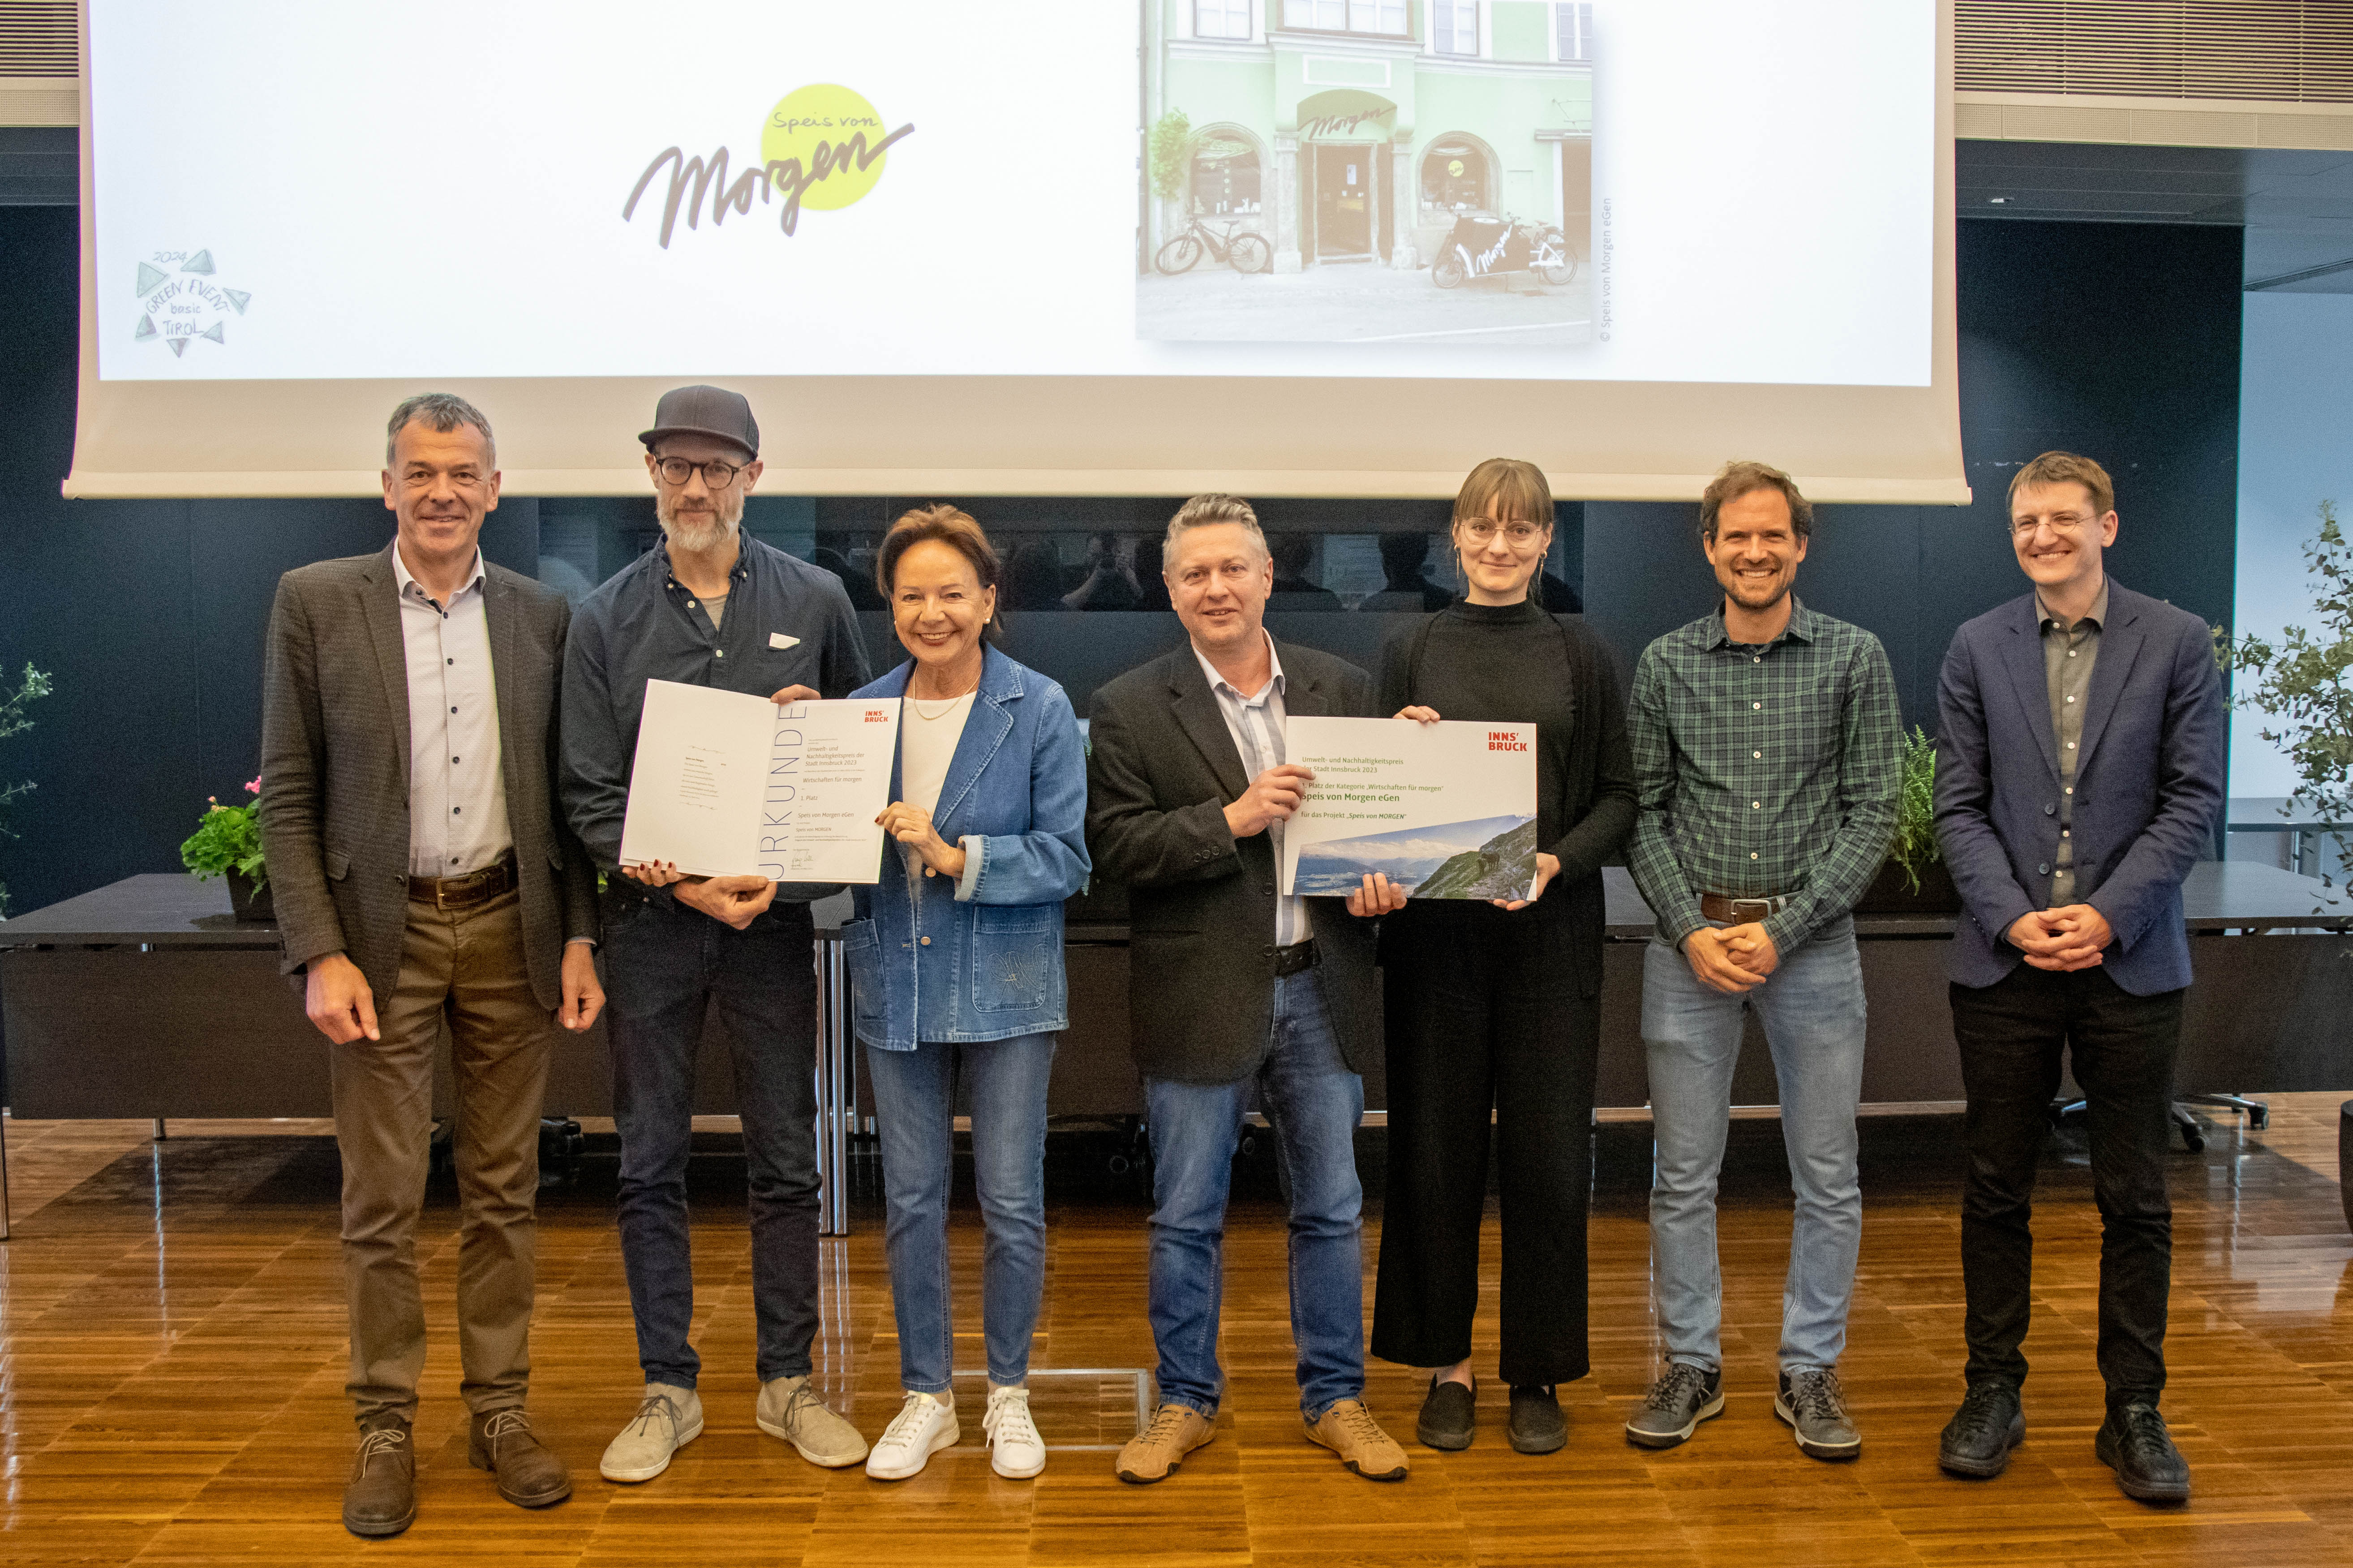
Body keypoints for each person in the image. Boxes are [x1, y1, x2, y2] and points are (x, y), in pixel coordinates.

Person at [259, 393, 604, 1538]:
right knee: (382, 1197)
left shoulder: (543, 614)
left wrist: (579, 932)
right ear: (388, 485)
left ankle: (499, 1410)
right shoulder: (317, 602)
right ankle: (384, 1424)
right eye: (421, 471)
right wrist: (319, 950)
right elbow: (289, 793)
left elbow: (565, 796)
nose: (442, 491)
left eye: (463, 473)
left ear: (495, 489)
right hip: (380, 942)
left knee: (506, 1191)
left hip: (511, 928)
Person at [559, 385, 873, 1484]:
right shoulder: (601, 617)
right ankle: (668, 1387)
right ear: (650, 473)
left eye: (717, 468)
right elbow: (586, 790)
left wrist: (813, 761)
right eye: (676, 466)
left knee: (787, 1158)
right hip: (651, 928)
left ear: (753, 476)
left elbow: (859, 754)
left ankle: (787, 1380)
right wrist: (684, 883)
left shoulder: (815, 598)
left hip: (772, 927)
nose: (695, 487)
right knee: (648, 1159)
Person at [1085, 494, 1409, 1485]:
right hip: (1199, 992)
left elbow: (1384, 828)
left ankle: (1335, 1398)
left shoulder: (1343, 688)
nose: (1216, 587)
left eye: (1233, 568)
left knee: (1331, 1208)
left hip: (1322, 986)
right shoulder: (1128, 704)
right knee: (1186, 1213)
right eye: (1195, 573)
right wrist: (1227, 819)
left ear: (1268, 576)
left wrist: (1387, 876)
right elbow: (1115, 848)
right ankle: (1185, 1400)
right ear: (1169, 589)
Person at [1931, 451, 2224, 1504]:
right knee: (1993, 1187)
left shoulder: (2175, 641)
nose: (2040, 535)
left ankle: (2132, 1407)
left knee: (2133, 1194)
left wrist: (2108, 913)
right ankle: (1990, 1389)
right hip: (2003, 962)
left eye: (2060, 517)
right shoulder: (1976, 645)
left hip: (2129, 960)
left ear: (2106, 525)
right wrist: (2013, 917)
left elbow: (2191, 799)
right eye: (2024, 520)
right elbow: (1956, 804)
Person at [1623, 460, 1900, 1461]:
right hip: (1687, 950)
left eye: (1771, 534)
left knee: (1826, 1174)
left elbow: (1873, 811)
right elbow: (1642, 811)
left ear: (1799, 546)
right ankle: (1689, 1364)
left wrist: (1783, 928)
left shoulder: (1854, 656)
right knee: (1680, 1176)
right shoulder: (1664, 663)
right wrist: (1688, 929)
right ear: (1708, 548)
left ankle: (1808, 1369)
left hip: (1812, 951)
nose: (1754, 551)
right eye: (1735, 535)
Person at [1358, 459, 1636, 1455]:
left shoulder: (1581, 650)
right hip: (1435, 942)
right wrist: (1398, 745)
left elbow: (1620, 796)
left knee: (1549, 1163)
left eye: (1520, 529)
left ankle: (1536, 1369)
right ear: (1456, 534)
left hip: (1549, 940)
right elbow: (1379, 792)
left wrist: (1556, 861)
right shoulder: (1410, 645)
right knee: (1434, 1157)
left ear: (1546, 538)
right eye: (1483, 526)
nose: (1499, 545)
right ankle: (1447, 1363)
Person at [841, 507, 1091, 1481]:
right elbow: (827, 852)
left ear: (989, 600)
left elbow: (1068, 858)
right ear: (889, 605)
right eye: (911, 595)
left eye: (952, 592)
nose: (931, 612)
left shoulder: (1038, 705)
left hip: (1008, 985)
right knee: (910, 1201)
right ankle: (928, 1397)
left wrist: (955, 856)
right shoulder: (862, 711)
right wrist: (794, 763)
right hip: (897, 981)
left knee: (1010, 1199)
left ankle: (1009, 1394)